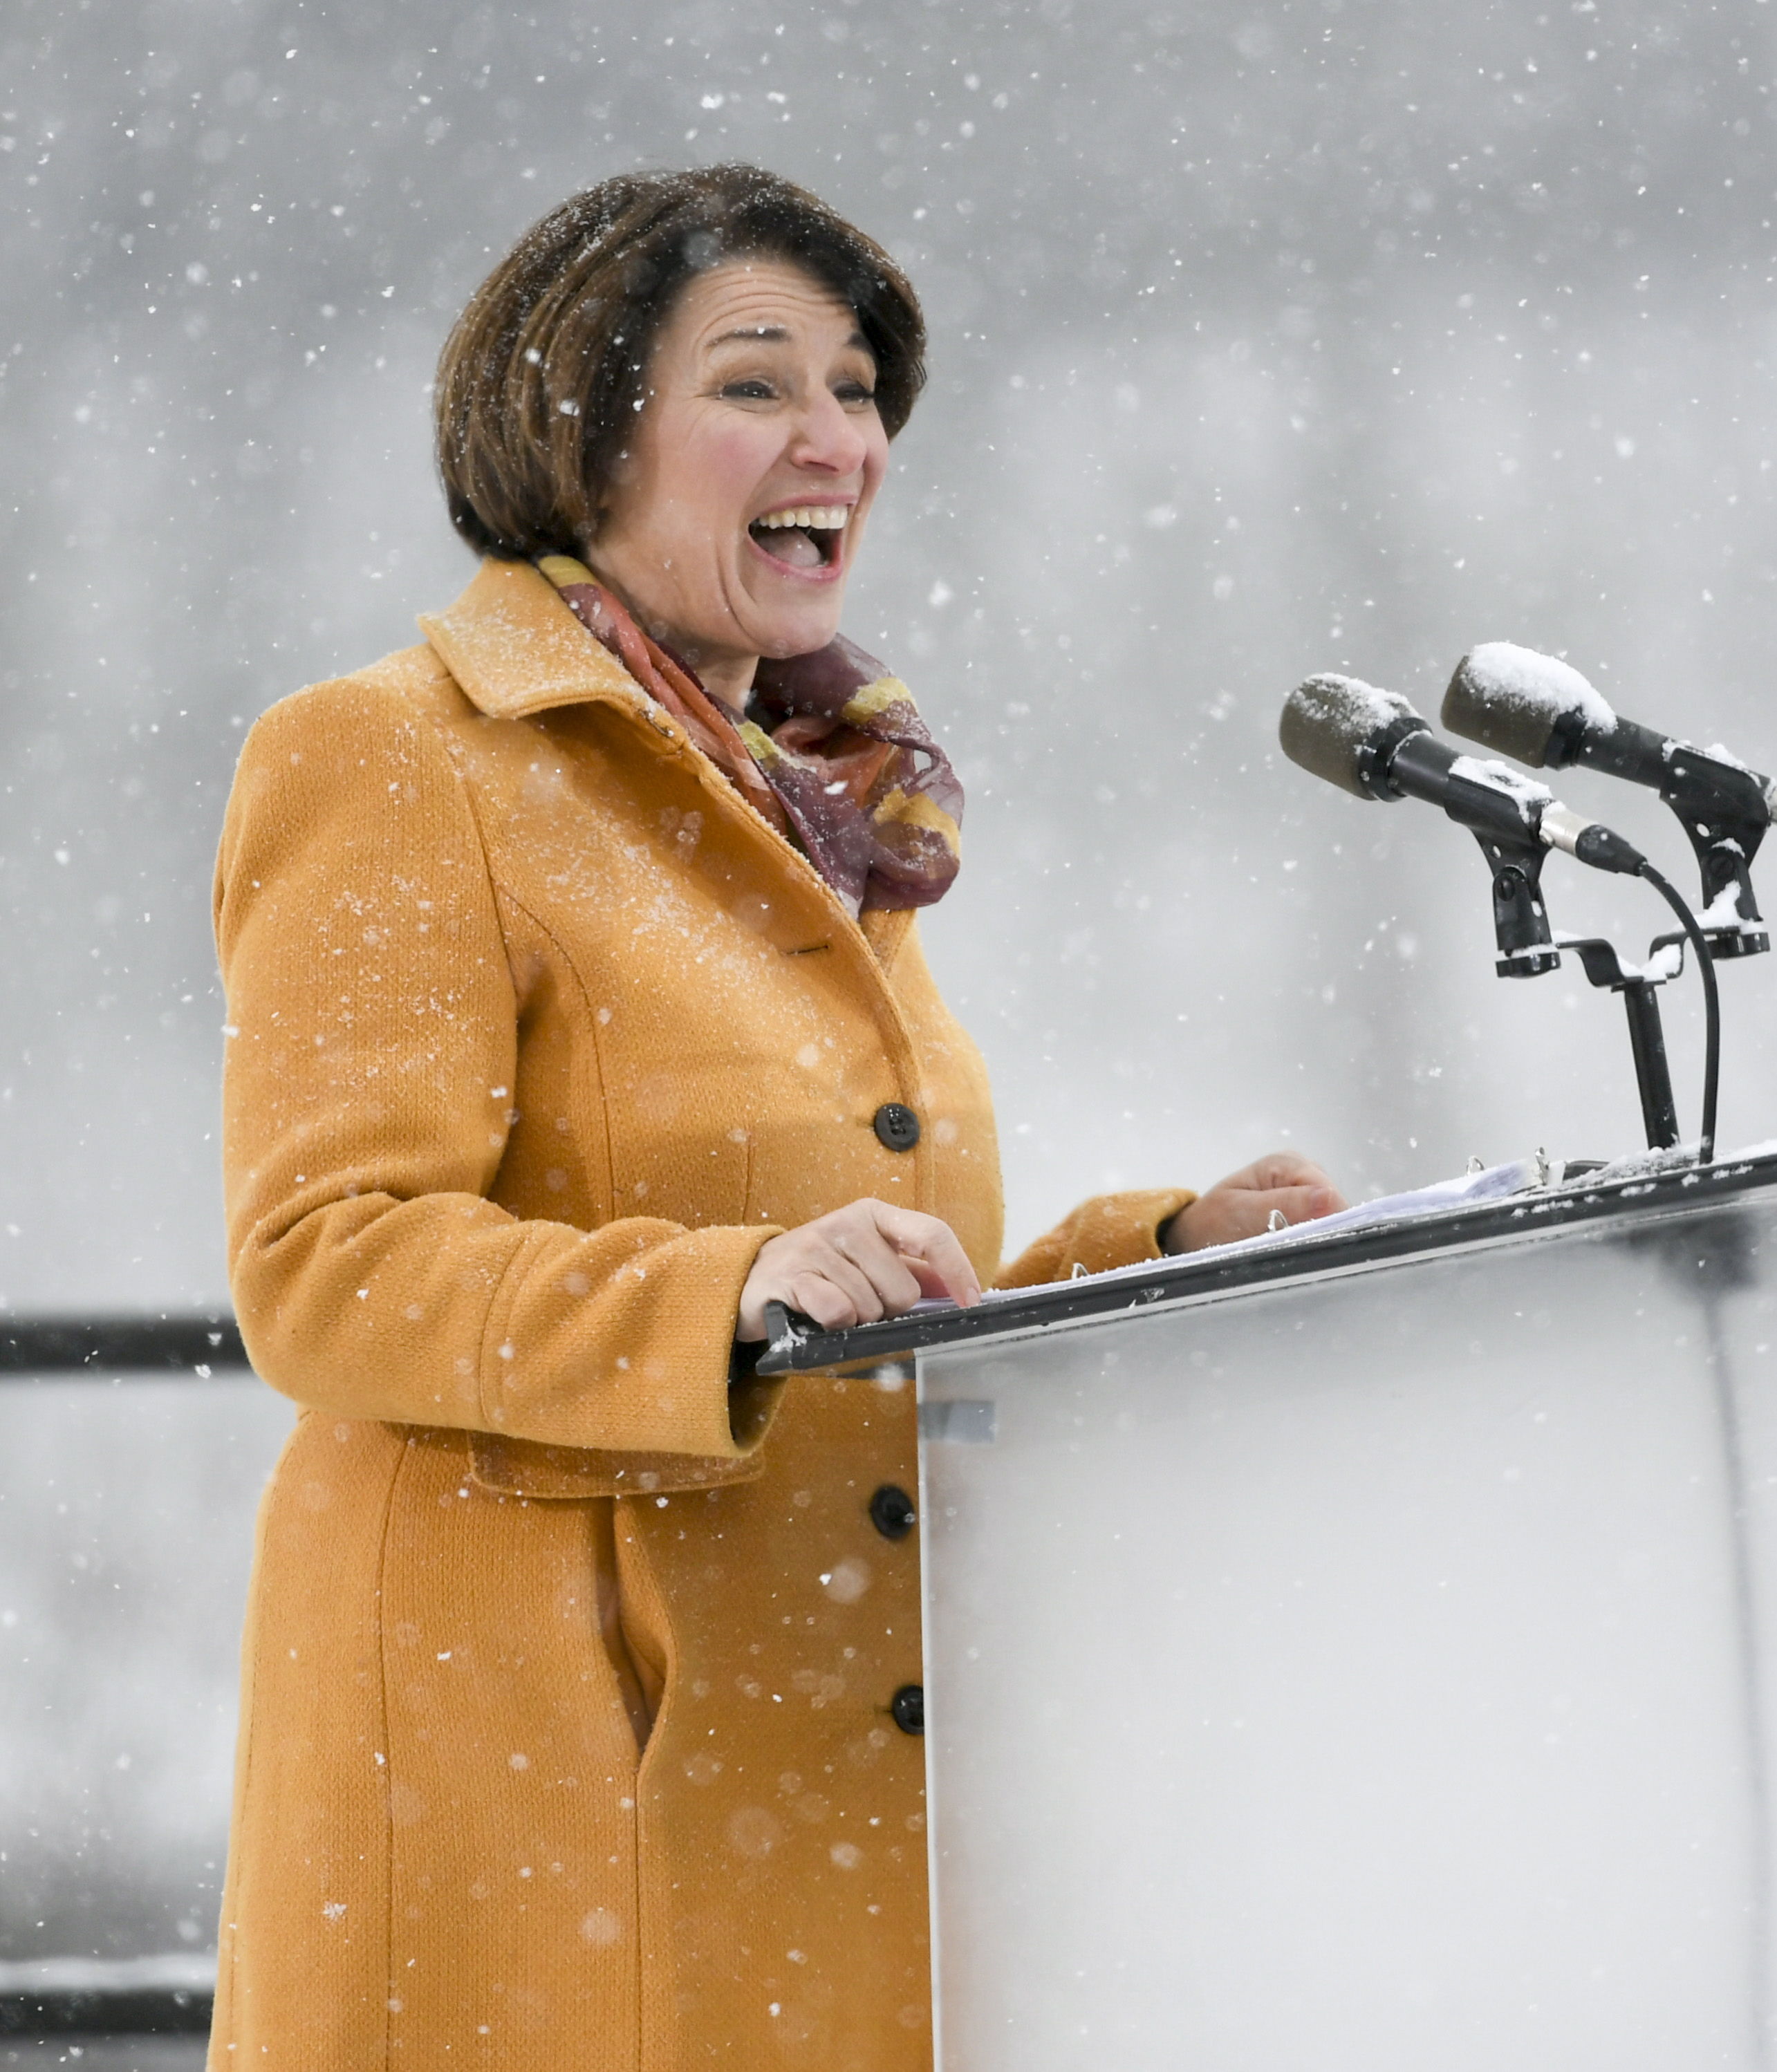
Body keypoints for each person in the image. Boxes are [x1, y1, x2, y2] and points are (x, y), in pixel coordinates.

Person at [207, 163, 1341, 2067]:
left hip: (817, 1773)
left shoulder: (817, 796)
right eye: (753, 383)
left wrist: (1156, 1252)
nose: (834, 436)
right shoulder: (400, 759)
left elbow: (868, 1272)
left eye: (856, 386)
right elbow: (323, 1266)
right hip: (551, 1781)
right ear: (579, 431)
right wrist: (726, 1295)